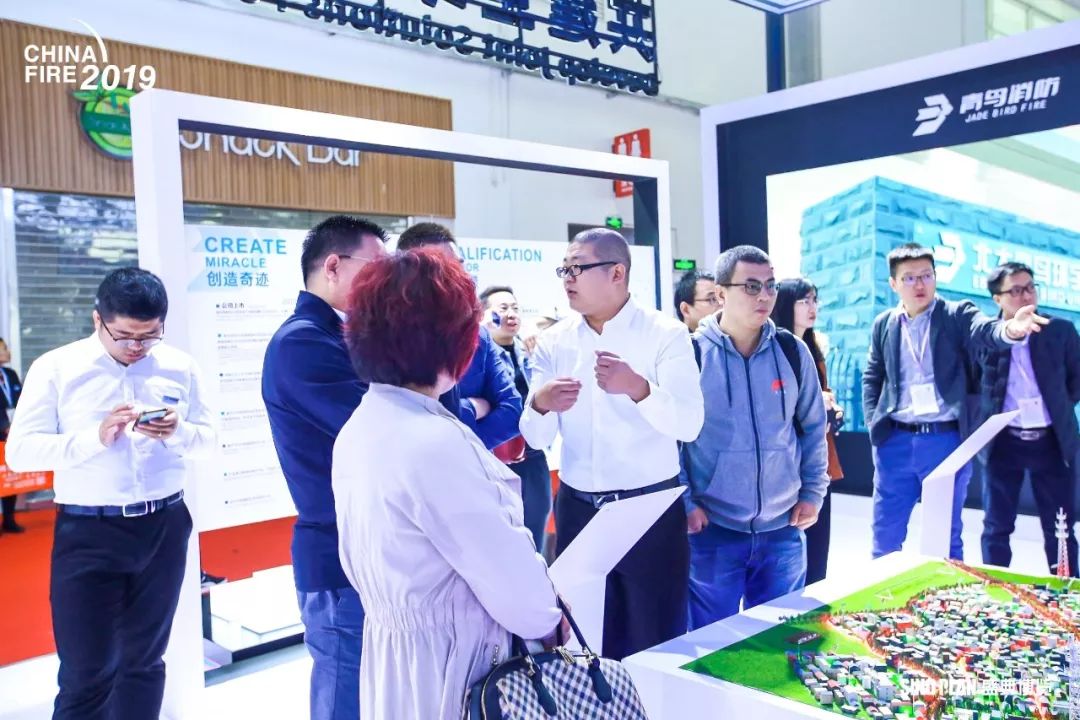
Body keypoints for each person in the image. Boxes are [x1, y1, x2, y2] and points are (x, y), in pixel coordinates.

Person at [333, 248, 565, 719]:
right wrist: (549, 617)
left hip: (395, 657)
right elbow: (512, 584)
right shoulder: (437, 442)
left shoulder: (360, 426)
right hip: (457, 663)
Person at [5, 268, 214, 720]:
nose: (137, 347)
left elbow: (209, 441)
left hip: (164, 526)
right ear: (97, 319)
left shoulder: (180, 366)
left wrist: (177, 432)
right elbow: (20, 452)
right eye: (125, 336)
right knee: (87, 672)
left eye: (149, 336)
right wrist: (93, 438)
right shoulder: (57, 368)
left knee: (145, 661)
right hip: (89, 531)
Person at [263, 216, 440, 720]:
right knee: (346, 693)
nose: (387, 280)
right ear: (334, 266)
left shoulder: (341, 336)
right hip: (339, 553)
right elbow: (390, 425)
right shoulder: (303, 342)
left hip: (369, 547)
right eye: (377, 266)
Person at [520, 228, 704, 660]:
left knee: (655, 641)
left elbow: (690, 424)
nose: (567, 279)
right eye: (564, 269)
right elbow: (536, 438)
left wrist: (639, 389)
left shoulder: (665, 334)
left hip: (649, 509)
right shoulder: (554, 342)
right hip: (579, 508)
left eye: (577, 268)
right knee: (581, 641)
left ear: (617, 273)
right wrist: (541, 405)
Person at [863, 243, 1047, 561]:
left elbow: (984, 330)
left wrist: (1011, 329)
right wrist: (874, 424)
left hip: (945, 441)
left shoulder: (955, 314)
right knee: (885, 536)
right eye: (909, 278)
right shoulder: (885, 324)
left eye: (926, 275)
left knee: (944, 539)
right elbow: (873, 375)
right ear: (893, 284)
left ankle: (948, 593)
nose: (920, 284)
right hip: (895, 442)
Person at [681, 248, 828, 628]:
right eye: (750, 286)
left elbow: (814, 427)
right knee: (710, 645)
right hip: (713, 530)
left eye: (770, 286)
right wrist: (686, 502)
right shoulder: (691, 355)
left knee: (779, 642)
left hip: (783, 529)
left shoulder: (791, 351)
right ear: (721, 293)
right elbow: (672, 441)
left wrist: (813, 493)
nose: (764, 296)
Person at [975, 262, 1080, 575]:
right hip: (1003, 442)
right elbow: (972, 382)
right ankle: (994, 587)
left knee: (1060, 526)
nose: (1026, 295)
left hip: (1051, 441)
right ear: (997, 298)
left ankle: (1067, 591)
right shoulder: (988, 336)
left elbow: (1077, 378)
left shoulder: (1059, 330)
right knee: (996, 525)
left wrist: (1057, 405)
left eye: (1031, 287)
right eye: (1016, 290)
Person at [397, 223, 523, 450]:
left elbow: (512, 410)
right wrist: (473, 408)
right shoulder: (386, 337)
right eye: (445, 267)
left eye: (459, 265)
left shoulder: (479, 336)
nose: (459, 276)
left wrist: (464, 448)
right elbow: (403, 416)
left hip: (472, 464)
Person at [772, 278, 844, 584]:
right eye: (804, 301)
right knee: (787, 557)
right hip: (787, 463)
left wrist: (830, 406)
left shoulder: (814, 350)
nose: (812, 307)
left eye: (815, 300)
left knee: (818, 552)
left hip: (820, 458)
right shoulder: (776, 350)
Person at [481, 285, 552, 550]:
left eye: (515, 308)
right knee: (501, 539)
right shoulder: (479, 356)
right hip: (495, 459)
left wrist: (534, 355)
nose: (511, 314)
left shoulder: (529, 352)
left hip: (532, 456)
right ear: (484, 315)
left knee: (536, 532)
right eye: (503, 308)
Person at [0, 337, 25, 534]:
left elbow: (22, 402)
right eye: (3, 348)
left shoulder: (10, 374)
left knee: (9, 477)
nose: (7, 352)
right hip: (2, 431)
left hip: (12, 434)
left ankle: (9, 519)